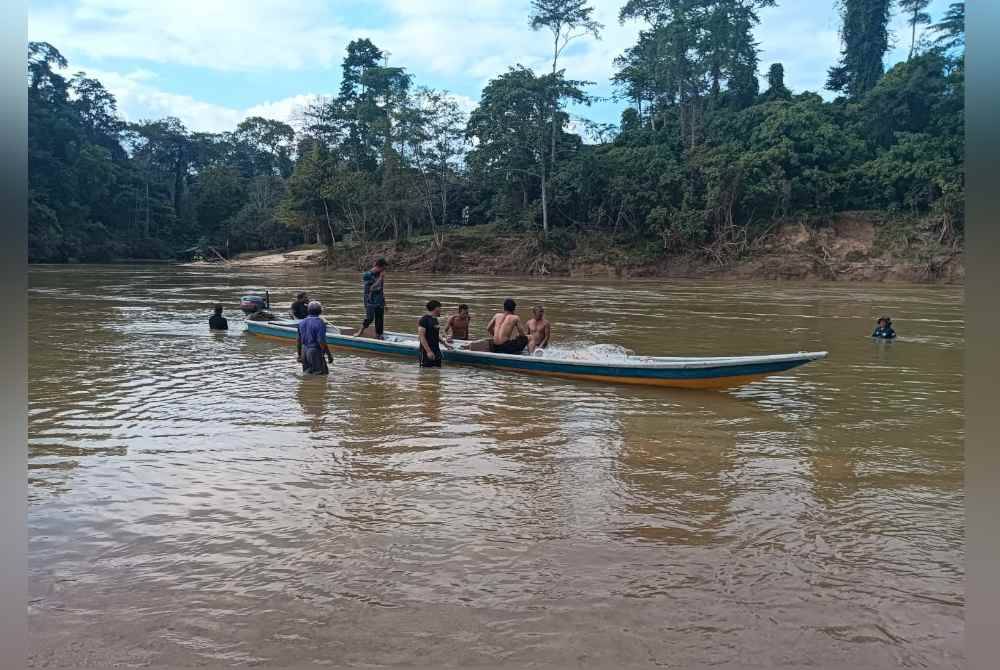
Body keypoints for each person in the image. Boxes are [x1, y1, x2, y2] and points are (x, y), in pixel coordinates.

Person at [297, 301, 333, 375]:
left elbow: (298, 340)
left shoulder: (302, 322)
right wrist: (328, 354)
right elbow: (321, 341)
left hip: (304, 350)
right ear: (320, 311)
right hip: (314, 351)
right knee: (321, 375)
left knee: (307, 374)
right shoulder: (320, 323)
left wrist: (299, 355)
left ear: (308, 311)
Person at [355, 258, 387, 339]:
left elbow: (381, 290)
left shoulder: (380, 274)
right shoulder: (367, 275)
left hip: (379, 300)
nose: (384, 270)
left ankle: (379, 335)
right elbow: (371, 288)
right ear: (380, 266)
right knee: (370, 318)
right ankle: (360, 331)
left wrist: (384, 303)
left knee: (380, 319)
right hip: (370, 300)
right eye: (383, 268)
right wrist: (380, 278)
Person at [418, 300, 451, 368]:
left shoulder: (435, 320)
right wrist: (429, 351)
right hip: (426, 350)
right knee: (425, 372)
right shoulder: (424, 320)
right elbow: (422, 337)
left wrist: (445, 344)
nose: (441, 310)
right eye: (440, 308)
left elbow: (436, 334)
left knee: (437, 371)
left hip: (436, 349)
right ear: (436, 308)